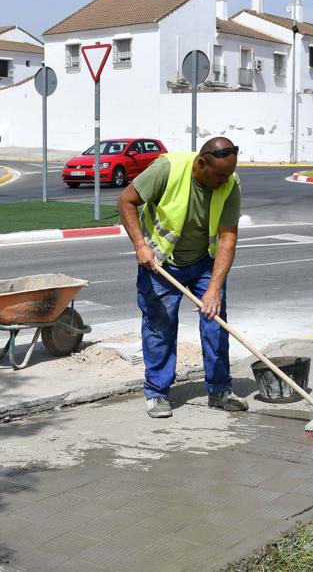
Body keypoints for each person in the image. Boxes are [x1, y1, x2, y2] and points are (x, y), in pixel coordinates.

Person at [118, 137, 246, 418]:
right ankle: (157, 393)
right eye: (220, 175)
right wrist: (141, 246)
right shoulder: (167, 169)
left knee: (216, 322)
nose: (225, 181)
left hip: (204, 263)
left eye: (229, 174)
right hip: (160, 263)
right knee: (159, 325)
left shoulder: (230, 183)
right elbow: (127, 201)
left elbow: (227, 238)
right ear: (201, 163)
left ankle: (220, 389)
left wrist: (214, 288)